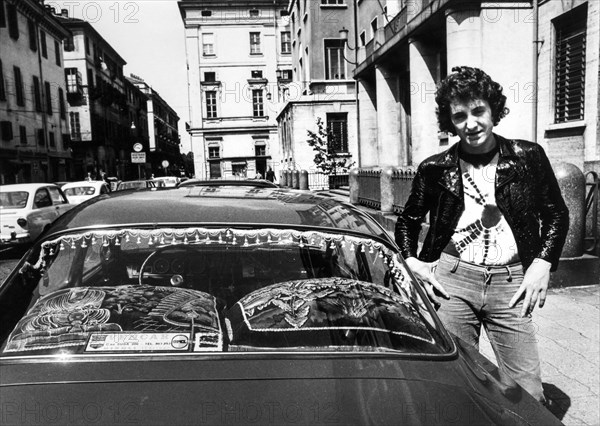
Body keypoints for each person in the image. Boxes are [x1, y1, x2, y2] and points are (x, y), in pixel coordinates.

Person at [395, 66, 569, 403]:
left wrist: (543, 262)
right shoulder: (435, 168)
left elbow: (556, 214)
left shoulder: (526, 157)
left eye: (478, 111)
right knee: (455, 382)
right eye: (459, 116)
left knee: (528, 392)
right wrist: (411, 261)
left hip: (511, 283)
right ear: (450, 121)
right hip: (452, 281)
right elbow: (408, 220)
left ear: (493, 110)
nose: (470, 123)